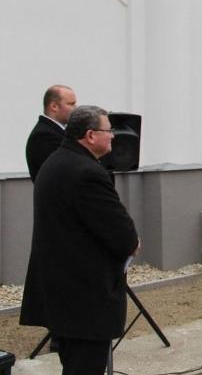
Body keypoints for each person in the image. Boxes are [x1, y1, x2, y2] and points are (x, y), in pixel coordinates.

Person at [20, 105, 140, 374]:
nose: (113, 136)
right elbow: (123, 235)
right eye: (108, 131)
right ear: (90, 135)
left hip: (62, 291)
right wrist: (131, 242)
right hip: (83, 296)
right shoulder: (87, 173)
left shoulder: (57, 160)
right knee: (85, 367)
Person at [25, 85, 76, 182]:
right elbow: (66, 170)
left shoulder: (55, 131)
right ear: (54, 106)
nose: (75, 108)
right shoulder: (44, 136)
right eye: (71, 104)